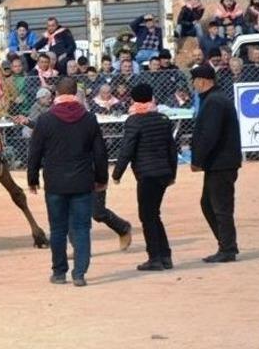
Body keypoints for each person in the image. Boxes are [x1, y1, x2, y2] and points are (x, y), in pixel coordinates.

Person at [27, 77, 109, 287]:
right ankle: (79, 273)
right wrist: (101, 179)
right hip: (82, 181)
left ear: (56, 93)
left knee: (57, 229)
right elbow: (100, 153)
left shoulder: (45, 120)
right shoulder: (89, 119)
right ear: (76, 92)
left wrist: (33, 178)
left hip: (55, 182)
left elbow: (34, 152)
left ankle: (59, 272)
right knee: (82, 228)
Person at [112, 83, 178, 271]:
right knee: (154, 214)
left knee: (147, 216)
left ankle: (155, 258)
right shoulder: (162, 119)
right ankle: (165, 256)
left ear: (133, 99)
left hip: (147, 174)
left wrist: (117, 173)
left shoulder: (134, 121)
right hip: (163, 173)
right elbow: (171, 149)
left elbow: (127, 149)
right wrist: (172, 173)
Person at [190, 64, 242, 263]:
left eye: (195, 80)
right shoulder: (215, 99)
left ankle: (227, 248)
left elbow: (209, 135)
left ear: (203, 81)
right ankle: (226, 244)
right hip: (221, 163)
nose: (193, 84)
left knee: (219, 206)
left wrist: (197, 160)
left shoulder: (214, 102)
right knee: (210, 204)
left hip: (221, 163)